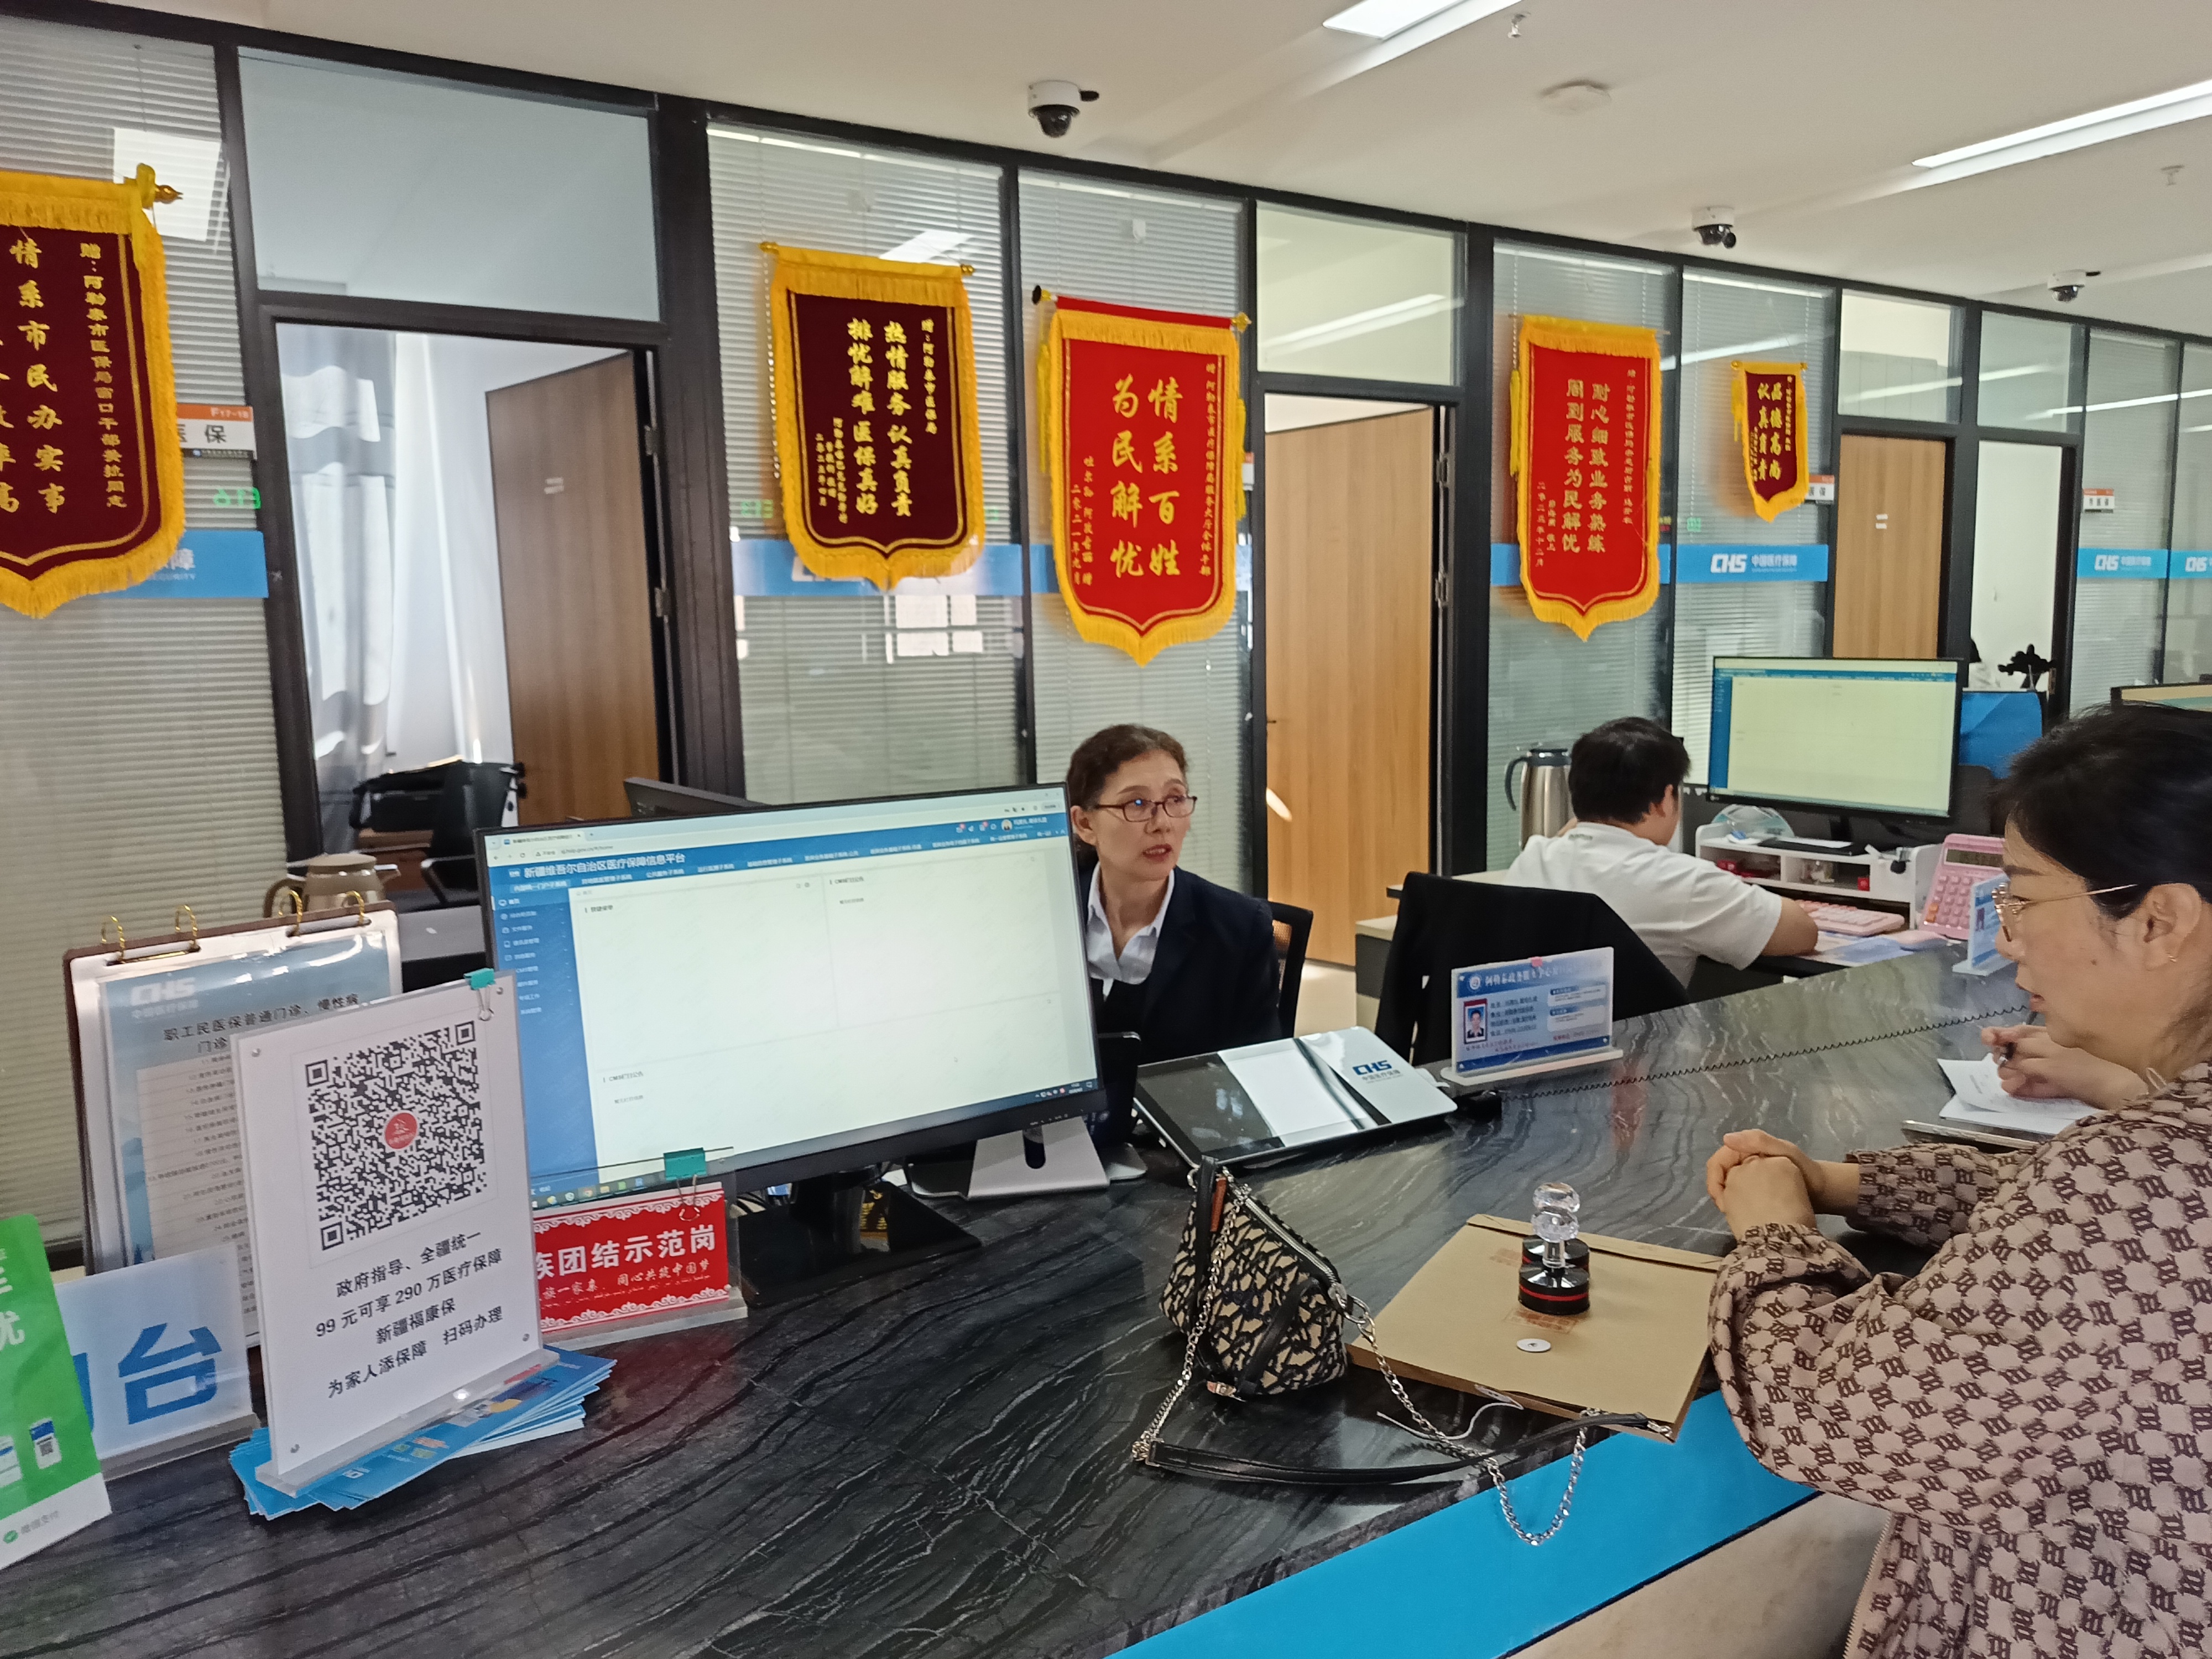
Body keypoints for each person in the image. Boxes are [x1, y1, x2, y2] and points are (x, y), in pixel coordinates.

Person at [1702, 703, 2212, 1658]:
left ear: (2160, 921)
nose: (2007, 939)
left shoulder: (2140, 1181)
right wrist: (1851, 1185)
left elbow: (1829, 1412)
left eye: (2022, 898)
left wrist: (1776, 1235)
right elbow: (2072, 1233)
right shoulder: (2142, 1176)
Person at [1506, 716, 1816, 983]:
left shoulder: (1535, 858)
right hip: (1647, 1036)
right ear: (1665, 799)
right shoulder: (1684, 881)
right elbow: (1802, 934)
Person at [1066, 723, 1280, 1066]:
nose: (1162, 823)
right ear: (1085, 824)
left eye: (1175, 799)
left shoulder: (1240, 927)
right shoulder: (1047, 913)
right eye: (1137, 803)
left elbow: (1259, 1069)